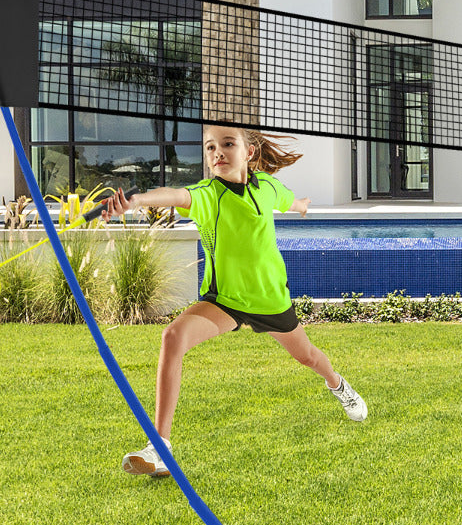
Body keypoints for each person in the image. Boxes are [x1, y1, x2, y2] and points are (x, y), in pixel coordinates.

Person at [103, 124, 367, 478]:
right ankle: (160, 446)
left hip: (271, 299)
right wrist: (135, 201)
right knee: (173, 337)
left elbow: (291, 201)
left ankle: (338, 384)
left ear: (249, 153)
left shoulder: (269, 188)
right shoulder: (209, 194)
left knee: (308, 357)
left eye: (228, 144)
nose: (218, 153)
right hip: (225, 300)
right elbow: (176, 195)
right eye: (210, 147)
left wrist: (302, 205)